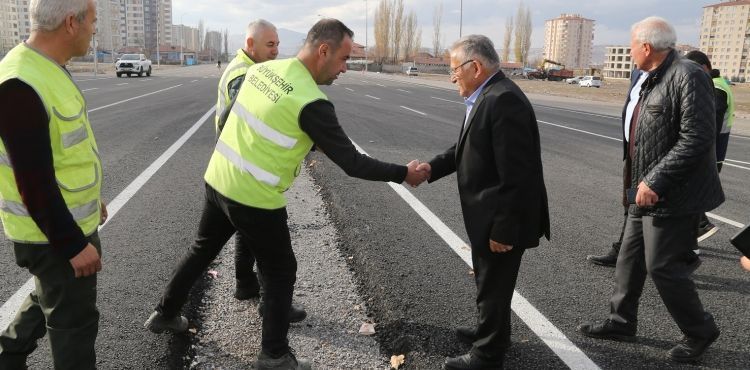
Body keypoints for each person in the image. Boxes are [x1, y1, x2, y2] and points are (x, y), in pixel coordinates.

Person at [144, 19, 428, 369]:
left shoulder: (264, 71)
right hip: (255, 197)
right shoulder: (312, 102)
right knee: (280, 270)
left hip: (219, 178)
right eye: (343, 59)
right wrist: (404, 173)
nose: (344, 69)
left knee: (202, 250)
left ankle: (166, 312)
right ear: (323, 51)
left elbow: (239, 117)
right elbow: (353, 163)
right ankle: (274, 355)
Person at [578, 17, 723, 364]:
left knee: (662, 266)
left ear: (646, 47)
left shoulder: (688, 76)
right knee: (629, 258)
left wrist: (655, 180)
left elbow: (698, 138)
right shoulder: (650, 77)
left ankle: (700, 330)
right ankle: (621, 321)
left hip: (674, 192)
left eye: (630, 46)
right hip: (643, 188)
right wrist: (639, 181)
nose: (629, 53)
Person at [415, 35, 550, 370]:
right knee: (490, 282)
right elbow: (467, 148)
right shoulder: (488, 96)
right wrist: (432, 167)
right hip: (488, 215)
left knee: (494, 285)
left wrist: (504, 228)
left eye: (453, 69)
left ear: (475, 67)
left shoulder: (503, 100)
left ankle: (487, 357)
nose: (451, 77)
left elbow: (518, 174)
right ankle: (492, 334)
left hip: (501, 219)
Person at [0, 0, 105, 369]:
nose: (96, 28)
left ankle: (8, 354)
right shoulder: (19, 84)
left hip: (64, 223)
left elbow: (67, 154)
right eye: (94, 20)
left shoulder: (48, 68)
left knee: (51, 293)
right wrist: (73, 244)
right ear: (71, 24)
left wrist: (94, 201)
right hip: (50, 235)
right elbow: (33, 181)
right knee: (73, 324)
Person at [213, 20, 307, 323]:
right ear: (250, 44)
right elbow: (238, 116)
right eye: (270, 45)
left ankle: (244, 284)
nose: (276, 51)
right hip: (243, 166)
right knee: (274, 253)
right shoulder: (244, 73)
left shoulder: (245, 67)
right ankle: (272, 310)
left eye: (278, 45)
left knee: (234, 238)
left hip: (233, 165)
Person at [684, 50, 735, 245]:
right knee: (690, 193)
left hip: (709, 153)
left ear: (704, 67)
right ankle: (693, 235)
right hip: (710, 152)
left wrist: (697, 152)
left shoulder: (716, 88)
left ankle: (700, 228)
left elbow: (710, 125)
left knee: (691, 193)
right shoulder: (716, 84)